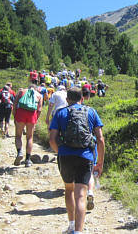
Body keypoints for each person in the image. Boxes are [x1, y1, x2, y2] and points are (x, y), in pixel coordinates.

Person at [49, 87, 105, 234]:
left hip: (65, 156)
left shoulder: (60, 113)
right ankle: (78, 232)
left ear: (67, 99)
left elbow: (52, 139)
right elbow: (100, 139)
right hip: (85, 156)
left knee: (69, 190)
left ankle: (72, 225)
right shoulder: (91, 112)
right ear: (82, 98)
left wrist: (60, 152)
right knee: (81, 195)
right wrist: (100, 162)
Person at [13, 84, 43, 167]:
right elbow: (39, 109)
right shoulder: (39, 95)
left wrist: (14, 115)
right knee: (29, 137)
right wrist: (36, 119)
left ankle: (19, 152)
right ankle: (28, 160)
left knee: (18, 136)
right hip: (32, 115)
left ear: (29, 87)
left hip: (20, 113)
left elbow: (15, 104)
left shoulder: (21, 91)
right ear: (36, 88)